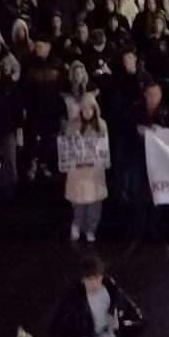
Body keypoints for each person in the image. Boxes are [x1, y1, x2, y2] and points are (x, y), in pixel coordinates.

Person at [64, 93, 109, 243]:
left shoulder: (101, 124)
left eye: (91, 108)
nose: (88, 112)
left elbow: (104, 146)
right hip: (78, 171)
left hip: (94, 172)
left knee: (94, 202)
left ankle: (91, 228)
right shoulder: (73, 124)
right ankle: (76, 225)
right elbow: (66, 146)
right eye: (85, 108)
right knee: (79, 201)